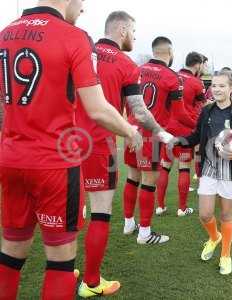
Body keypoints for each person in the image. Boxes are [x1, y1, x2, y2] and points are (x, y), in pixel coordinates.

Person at [0, 1, 141, 299]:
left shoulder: (5, 32)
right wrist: (130, 131)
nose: (83, 9)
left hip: (11, 157)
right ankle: (91, 281)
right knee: (61, 262)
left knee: (11, 255)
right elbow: (98, 108)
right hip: (54, 163)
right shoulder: (72, 35)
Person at [76, 11, 171, 298]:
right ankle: (92, 282)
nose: (134, 37)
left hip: (64, 140)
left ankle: (63, 268)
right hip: (98, 142)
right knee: (101, 213)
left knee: (63, 211)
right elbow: (139, 112)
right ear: (122, 30)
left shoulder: (80, 49)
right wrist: (161, 132)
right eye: (133, 31)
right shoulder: (125, 63)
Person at [171, 70, 232, 275]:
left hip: (231, 173)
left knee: (226, 215)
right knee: (204, 214)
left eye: (222, 85)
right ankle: (214, 237)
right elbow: (196, 136)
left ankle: (226, 255)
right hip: (209, 169)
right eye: (214, 85)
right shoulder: (207, 111)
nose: (217, 89)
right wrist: (177, 140)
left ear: (231, 89)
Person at [123, 36, 196, 244]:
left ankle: (128, 223)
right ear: (170, 52)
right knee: (148, 182)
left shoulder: (137, 69)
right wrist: (197, 126)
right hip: (152, 135)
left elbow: (128, 102)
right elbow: (180, 114)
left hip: (132, 130)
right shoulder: (172, 77)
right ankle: (144, 233)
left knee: (132, 177)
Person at [156, 52, 206, 216]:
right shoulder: (197, 83)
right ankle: (182, 208)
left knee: (165, 165)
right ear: (197, 64)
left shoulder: (171, 76)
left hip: (168, 128)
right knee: (184, 168)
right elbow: (202, 105)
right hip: (185, 128)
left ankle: (160, 206)